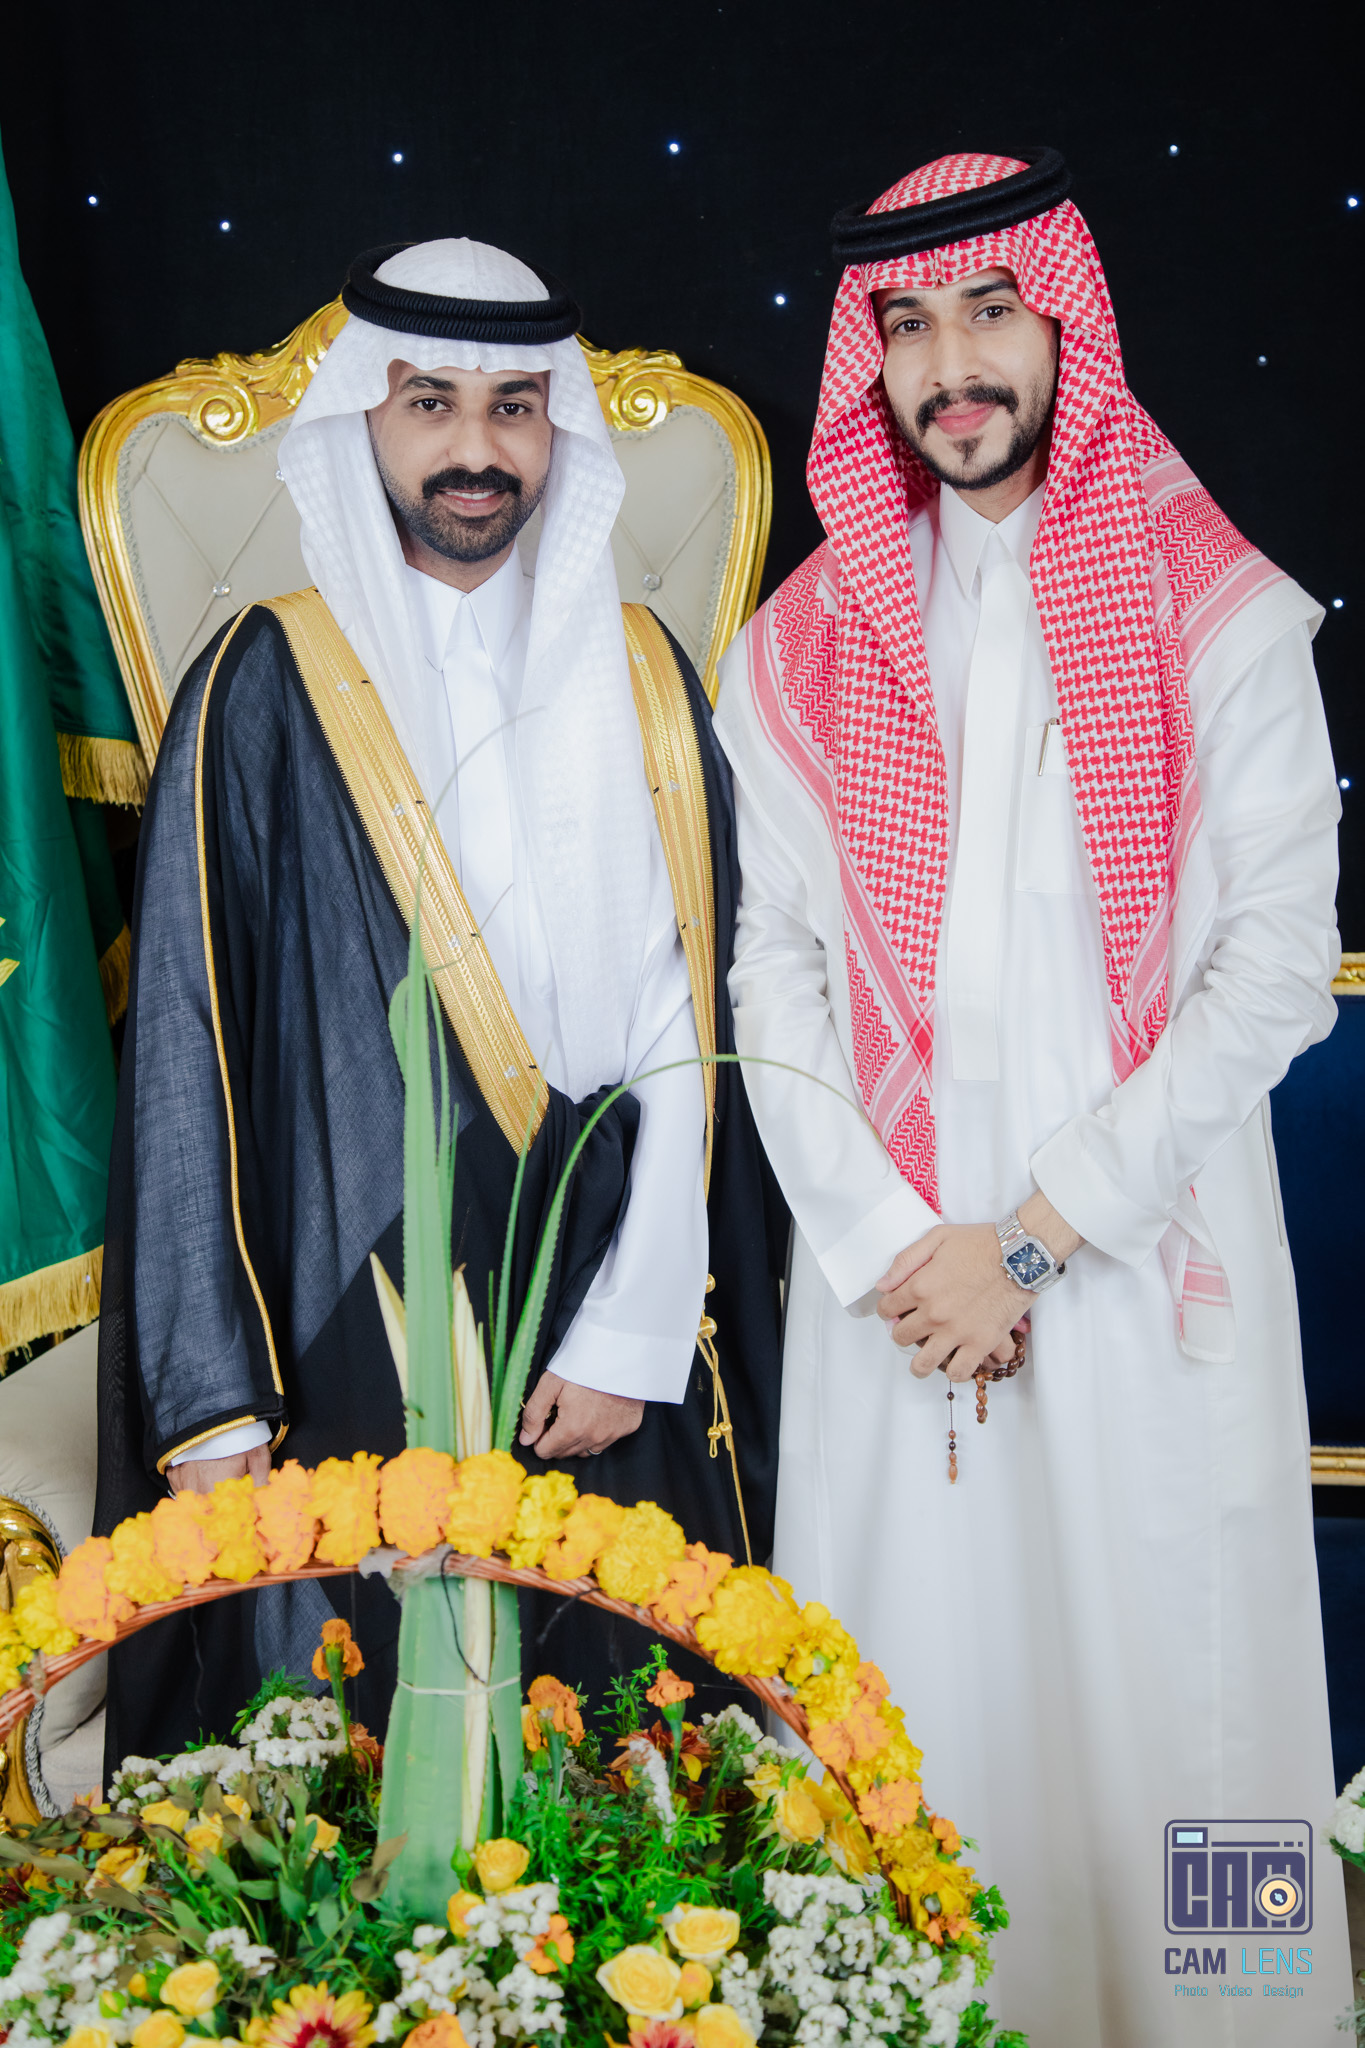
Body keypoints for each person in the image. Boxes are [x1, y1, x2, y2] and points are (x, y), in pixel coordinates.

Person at [713, 150, 1350, 2043]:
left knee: (1184, 1708)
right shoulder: (797, 646)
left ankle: (1227, 2023)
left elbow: (1272, 972)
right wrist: (894, 1243)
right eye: (906, 327)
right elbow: (771, 974)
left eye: (989, 311)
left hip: (1137, 1263)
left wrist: (1035, 1239)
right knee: (917, 1706)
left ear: (1065, 322)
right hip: (895, 1298)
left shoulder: (1221, 617)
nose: (950, 367)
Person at [95, 238, 785, 1772]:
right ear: (365, 420)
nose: (476, 448)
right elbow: (186, 1052)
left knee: (625, 1762)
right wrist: (213, 1405)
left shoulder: (642, 672)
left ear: (557, 431)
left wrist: (635, 1326)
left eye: (513, 408)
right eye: (430, 404)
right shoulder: (262, 677)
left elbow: (690, 1016)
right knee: (344, 1764)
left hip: (600, 1305)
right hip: (343, 1312)